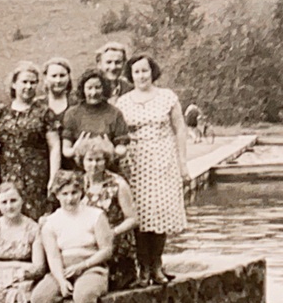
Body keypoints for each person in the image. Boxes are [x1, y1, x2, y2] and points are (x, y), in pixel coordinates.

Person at [28, 171, 113, 303]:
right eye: (64, 193)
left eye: (74, 192)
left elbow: (106, 250)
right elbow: (54, 256)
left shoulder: (96, 215)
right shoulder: (51, 222)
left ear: (81, 192)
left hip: (92, 266)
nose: (70, 198)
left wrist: (83, 266)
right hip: (62, 268)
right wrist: (60, 279)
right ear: (57, 195)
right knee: (40, 296)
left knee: (83, 294)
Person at [115, 54, 189, 286]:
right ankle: (143, 268)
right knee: (140, 213)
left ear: (152, 72)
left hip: (163, 158)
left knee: (160, 210)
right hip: (135, 162)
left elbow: (180, 129)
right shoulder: (124, 101)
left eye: (145, 71)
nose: (141, 76)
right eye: (136, 72)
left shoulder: (167, 97)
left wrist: (182, 162)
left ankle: (157, 265)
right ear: (131, 75)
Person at [0, 62, 61, 218]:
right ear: (14, 84)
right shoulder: (1, 112)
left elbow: (55, 146)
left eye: (33, 82)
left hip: (37, 178)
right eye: (24, 82)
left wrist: (53, 178)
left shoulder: (44, 112)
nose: (29, 86)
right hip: (8, 176)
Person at [76, 135, 139, 290]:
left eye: (99, 160)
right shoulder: (78, 183)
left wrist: (112, 232)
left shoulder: (118, 184)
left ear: (106, 161)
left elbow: (133, 219)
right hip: (89, 243)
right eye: (89, 160)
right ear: (82, 161)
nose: (94, 165)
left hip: (114, 244)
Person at [61, 68, 129, 171]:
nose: (93, 92)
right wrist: (76, 148)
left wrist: (111, 150)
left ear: (104, 88)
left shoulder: (115, 113)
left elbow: (122, 149)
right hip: (79, 171)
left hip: (109, 170)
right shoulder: (72, 114)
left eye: (98, 87)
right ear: (83, 89)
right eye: (89, 88)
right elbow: (66, 151)